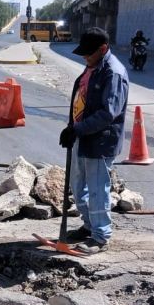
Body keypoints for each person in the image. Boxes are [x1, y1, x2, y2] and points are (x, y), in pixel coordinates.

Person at [59, 27, 130, 254]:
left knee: (98, 190)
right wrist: (72, 129)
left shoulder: (113, 73)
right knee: (77, 187)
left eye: (89, 53)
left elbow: (109, 113)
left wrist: (77, 128)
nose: (84, 57)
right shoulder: (92, 66)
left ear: (103, 49)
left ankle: (100, 237)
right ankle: (89, 226)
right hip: (82, 135)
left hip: (100, 141)